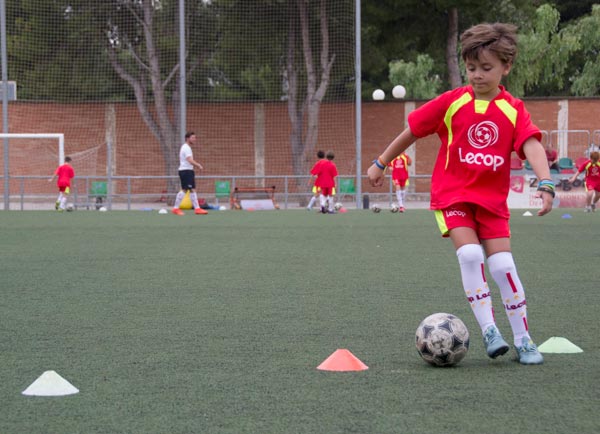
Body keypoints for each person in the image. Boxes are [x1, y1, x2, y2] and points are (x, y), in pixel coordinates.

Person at [367, 23, 554, 365]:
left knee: (502, 264)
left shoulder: (513, 109)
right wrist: (380, 162)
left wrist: (545, 182)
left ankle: (524, 339)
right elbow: (413, 131)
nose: (477, 75)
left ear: (506, 67)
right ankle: (489, 330)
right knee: (470, 255)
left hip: (492, 204)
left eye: (486, 68)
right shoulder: (452, 102)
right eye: (471, 68)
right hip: (453, 196)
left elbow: (531, 143)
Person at [172, 132, 208, 215]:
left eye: (195, 138)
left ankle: (197, 209)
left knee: (192, 189)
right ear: (188, 138)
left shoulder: (187, 147)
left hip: (189, 171)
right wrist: (198, 165)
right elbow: (189, 160)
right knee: (185, 189)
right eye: (193, 138)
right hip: (185, 171)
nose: (194, 139)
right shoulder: (186, 148)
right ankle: (175, 208)